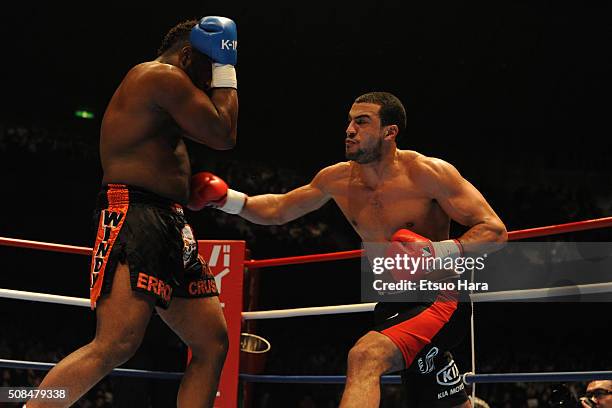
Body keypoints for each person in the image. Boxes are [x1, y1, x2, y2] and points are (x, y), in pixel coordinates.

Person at [190, 91, 507, 407]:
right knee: (437, 396)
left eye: (362, 122)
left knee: (365, 356)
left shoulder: (427, 173)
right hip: (392, 298)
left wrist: (436, 252)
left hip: (440, 296)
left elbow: (494, 231)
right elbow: (279, 209)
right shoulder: (337, 179)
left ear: (389, 132)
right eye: (349, 121)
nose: (349, 129)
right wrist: (226, 199)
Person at [27, 16, 238, 408]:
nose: (211, 84)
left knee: (211, 342)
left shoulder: (168, 96)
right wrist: (228, 64)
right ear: (189, 54)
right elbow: (224, 133)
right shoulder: (160, 76)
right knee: (116, 343)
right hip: (136, 213)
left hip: (170, 219)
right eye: (208, 71)